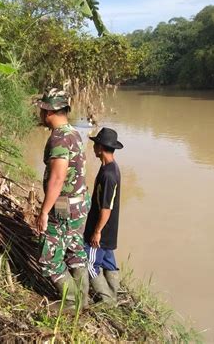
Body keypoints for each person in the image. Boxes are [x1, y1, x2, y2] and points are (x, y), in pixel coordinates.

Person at [35, 88, 90, 309]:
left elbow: (58, 177)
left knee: (49, 257)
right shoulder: (74, 133)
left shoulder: (59, 139)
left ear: (48, 111)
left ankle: (71, 302)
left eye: (41, 110)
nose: (40, 115)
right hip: (80, 203)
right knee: (75, 250)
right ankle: (83, 299)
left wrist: (44, 212)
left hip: (63, 206)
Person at [84, 127, 123, 305]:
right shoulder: (111, 167)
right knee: (108, 262)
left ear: (101, 148)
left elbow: (106, 208)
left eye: (95, 145)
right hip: (110, 229)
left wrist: (96, 231)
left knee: (90, 264)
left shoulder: (108, 175)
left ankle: (107, 301)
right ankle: (114, 294)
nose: (93, 148)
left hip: (100, 228)